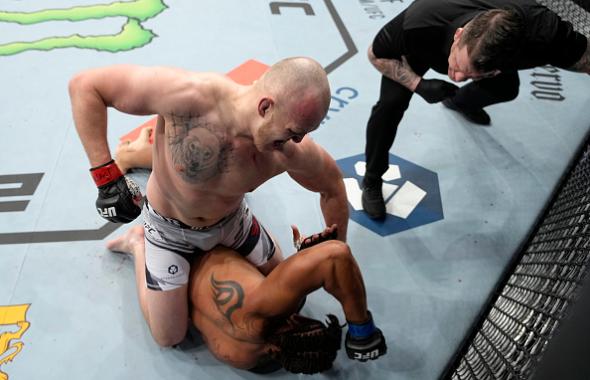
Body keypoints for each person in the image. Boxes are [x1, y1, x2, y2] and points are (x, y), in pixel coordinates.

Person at [68, 57, 350, 347]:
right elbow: (86, 86)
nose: (298, 140)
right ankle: (137, 244)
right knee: (169, 336)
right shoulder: (190, 98)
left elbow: (333, 187)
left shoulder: (288, 151)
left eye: (303, 134)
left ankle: (139, 154)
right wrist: (105, 177)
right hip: (168, 230)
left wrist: (333, 242)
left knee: (293, 299)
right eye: (293, 131)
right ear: (266, 107)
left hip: (232, 223)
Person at [361, 0, 590, 219]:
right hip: (422, 46)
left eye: (470, 75)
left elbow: (586, 60)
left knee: (506, 89)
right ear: (459, 34)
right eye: (459, 66)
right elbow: (375, 54)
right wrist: (418, 85)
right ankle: (372, 178)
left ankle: (459, 102)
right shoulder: (422, 20)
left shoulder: (543, 33)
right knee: (390, 105)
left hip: (497, 53)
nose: (458, 78)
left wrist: (477, 76)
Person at [106, 224, 387, 374]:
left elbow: (336, 256)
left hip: (189, 241)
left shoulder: (264, 307)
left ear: (296, 321)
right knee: (168, 338)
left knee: (165, 335)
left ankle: (137, 243)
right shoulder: (248, 361)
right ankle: (139, 247)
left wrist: (362, 329)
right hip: (192, 282)